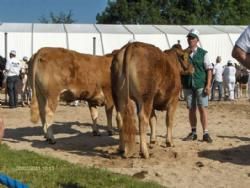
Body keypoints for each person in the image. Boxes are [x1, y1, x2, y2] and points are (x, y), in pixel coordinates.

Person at [182, 28, 213, 143]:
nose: (190, 40)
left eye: (192, 38)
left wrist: (208, 85)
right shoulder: (184, 54)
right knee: (191, 109)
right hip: (188, 85)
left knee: (202, 108)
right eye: (189, 38)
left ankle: (205, 133)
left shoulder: (203, 53)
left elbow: (209, 69)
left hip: (200, 84)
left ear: (197, 40)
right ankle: (193, 132)